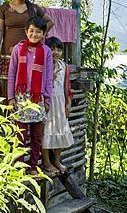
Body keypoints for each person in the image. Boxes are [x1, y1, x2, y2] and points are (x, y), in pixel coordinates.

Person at [0, 0, 54, 100]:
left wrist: (38, 36)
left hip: (29, 53)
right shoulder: (4, 8)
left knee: (28, 80)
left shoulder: (34, 8)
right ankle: (8, 115)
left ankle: (27, 113)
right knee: (8, 83)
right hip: (8, 52)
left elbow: (50, 22)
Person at [7, 16, 53, 177]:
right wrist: (10, 97)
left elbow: (48, 76)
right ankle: (19, 166)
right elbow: (12, 73)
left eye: (38, 32)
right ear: (26, 32)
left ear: (43, 33)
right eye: (31, 31)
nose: (34, 34)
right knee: (20, 134)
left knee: (36, 135)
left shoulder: (46, 51)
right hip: (20, 97)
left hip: (37, 97)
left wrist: (47, 99)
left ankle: (33, 166)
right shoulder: (18, 49)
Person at [42, 37, 74, 174]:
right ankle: (46, 162)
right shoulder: (43, 65)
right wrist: (50, 78)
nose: (55, 52)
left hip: (61, 102)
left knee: (61, 129)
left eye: (59, 50)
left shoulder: (64, 66)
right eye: (52, 49)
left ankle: (56, 160)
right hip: (48, 102)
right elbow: (39, 84)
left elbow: (67, 86)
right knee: (46, 131)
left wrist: (68, 103)